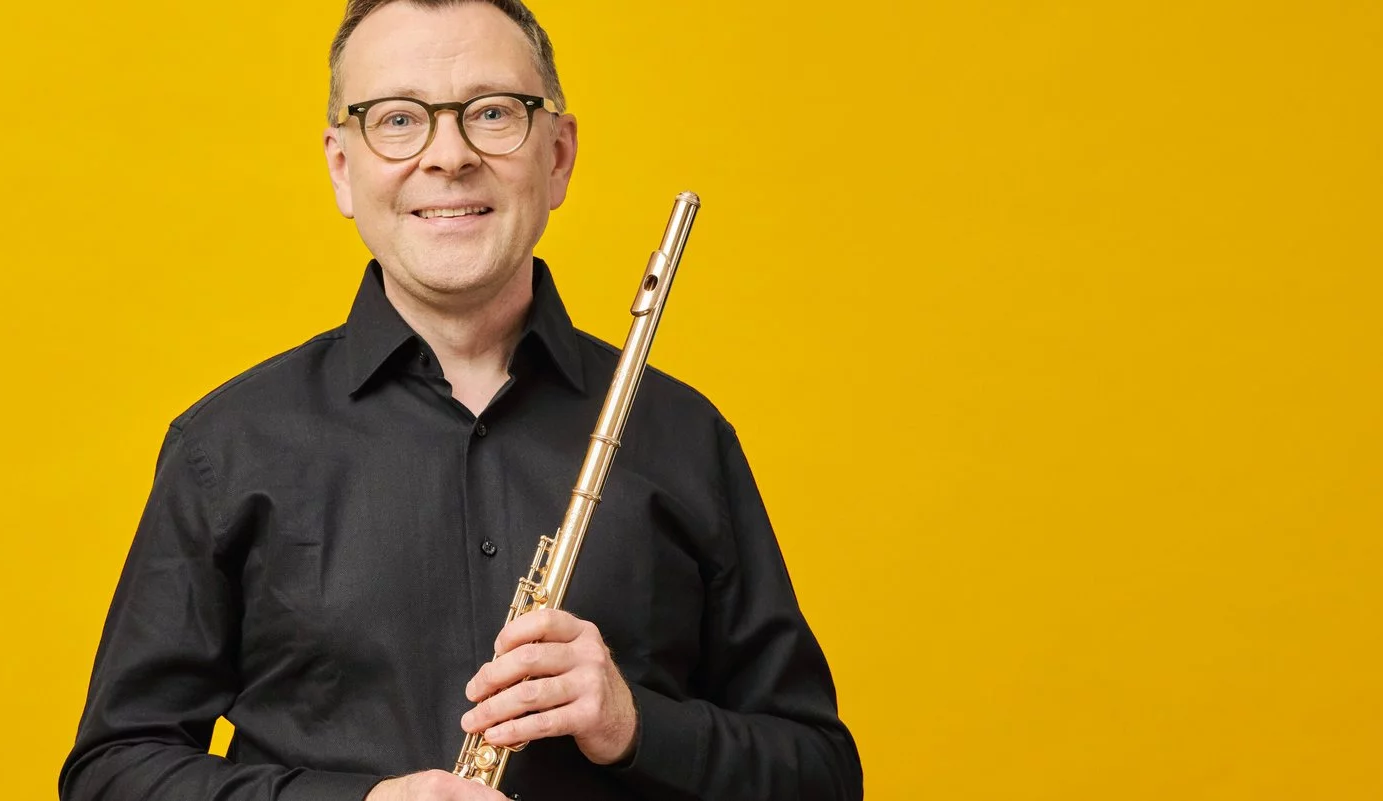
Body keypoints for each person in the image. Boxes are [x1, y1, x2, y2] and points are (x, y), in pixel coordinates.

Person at [59, 1, 862, 799]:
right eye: (399, 120)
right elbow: (112, 772)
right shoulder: (226, 447)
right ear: (343, 167)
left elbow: (823, 774)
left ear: (559, 155)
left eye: (492, 113)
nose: (450, 155)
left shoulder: (683, 434)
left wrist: (634, 725)